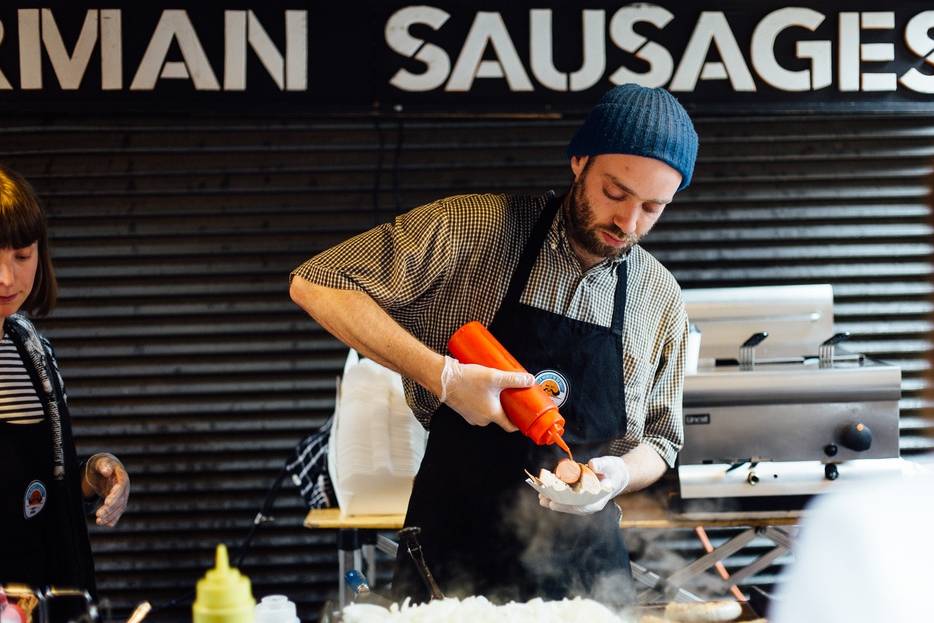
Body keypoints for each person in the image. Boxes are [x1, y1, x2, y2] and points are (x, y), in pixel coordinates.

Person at [290, 84, 698, 603]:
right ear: (579, 161)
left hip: (587, 578)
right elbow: (318, 282)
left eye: (652, 207)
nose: (628, 222)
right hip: (454, 560)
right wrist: (444, 376)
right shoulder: (475, 228)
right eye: (614, 194)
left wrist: (616, 476)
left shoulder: (659, 297)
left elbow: (662, 441)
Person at [0, 165, 130, 594]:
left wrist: (92, 475)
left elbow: (39, 481)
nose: (7, 277)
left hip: (46, 591)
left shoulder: (32, 347)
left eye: (22, 256)